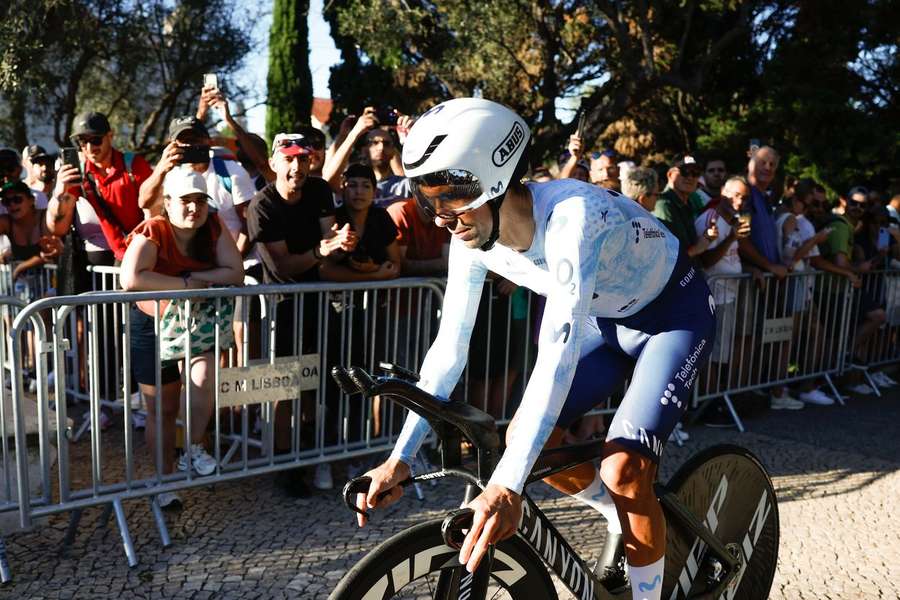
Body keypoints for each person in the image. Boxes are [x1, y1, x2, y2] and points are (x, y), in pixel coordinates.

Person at [355, 98, 715, 600]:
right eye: (427, 200)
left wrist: (508, 487)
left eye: (451, 196)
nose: (441, 218)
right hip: (607, 321)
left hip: (673, 316)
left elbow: (557, 354)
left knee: (624, 470)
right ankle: (615, 513)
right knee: (528, 437)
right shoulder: (471, 237)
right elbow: (448, 350)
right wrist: (401, 457)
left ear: (496, 180)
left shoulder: (573, 217)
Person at [119, 167, 243, 509]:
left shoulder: (214, 227)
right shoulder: (153, 229)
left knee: (204, 379)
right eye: (186, 201)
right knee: (163, 407)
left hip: (196, 323)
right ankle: (164, 482)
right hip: (152, 324)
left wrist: (194, 278)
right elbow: (131, 278)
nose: (194, 208)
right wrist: (189, 286)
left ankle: (192, 449)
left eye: (200, 201)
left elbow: (235, 272)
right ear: (168, 203)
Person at [246, 132, 358, 497]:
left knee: (315, 384)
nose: (297, 167)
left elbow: (331, 244)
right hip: (280, 305)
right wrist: (322, 250)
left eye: (303, 159)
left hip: (318, 300)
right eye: (289, 159)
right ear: (274, 163)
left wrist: (341, 245)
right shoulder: (261, 205)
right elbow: (283, 266)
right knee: (284, 389)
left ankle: (309, 458)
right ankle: (283, 467)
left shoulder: (320, 191)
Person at [653, 156, 718, 257]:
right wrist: (698, 248)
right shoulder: (663, 204)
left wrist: (706, 237)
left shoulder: (689, 203)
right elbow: (670, 254)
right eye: (684, 171)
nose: (690, 177)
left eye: (695, 173)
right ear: (670, 174)